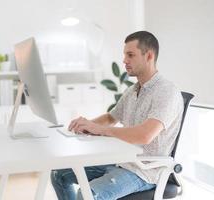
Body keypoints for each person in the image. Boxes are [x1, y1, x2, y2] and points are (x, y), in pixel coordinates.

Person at [50, 31, 184, 200]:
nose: (124, 60)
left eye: (130, 55)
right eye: (124, 55)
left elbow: (145, 135)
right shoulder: (134, 90)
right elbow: (110, 118)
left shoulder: (166, 91)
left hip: (144, 170)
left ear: (149, 56)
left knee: (87, 195)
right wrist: (85, 125)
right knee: (59, 175)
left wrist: (99, 130)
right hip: (121, 161)